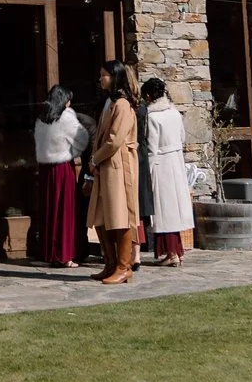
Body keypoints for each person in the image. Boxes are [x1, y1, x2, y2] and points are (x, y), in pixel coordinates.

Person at [88, 64, 141, 284]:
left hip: (119, 166)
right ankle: (110, 264)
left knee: (120, 215)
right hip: (106, 166)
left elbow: (115, 139)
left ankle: (123, 266)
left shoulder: (122, 104)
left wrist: (94, 158)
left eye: (104, 75)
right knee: (101, 216)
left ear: (115, 77)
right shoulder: (111, 103)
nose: (101, 79)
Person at [32, 86, 87, 267]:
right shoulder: (66, 118)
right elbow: (82, 138)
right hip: (63, 168)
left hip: (46, 168)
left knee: (50, 210)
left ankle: (51, 252)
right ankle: (65, 254)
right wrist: (74, 151)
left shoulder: (42, 118)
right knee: (65, 210)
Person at [141, 77, 193, 265]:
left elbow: (152, 147)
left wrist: (148, 171)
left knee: (164, 211)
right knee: (174, 209)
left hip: (161, 164)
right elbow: (182, 137)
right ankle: (175, 251)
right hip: (176, 161)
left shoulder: (153, 117)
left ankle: (172, 253)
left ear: (148, 96)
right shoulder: (175, 112)